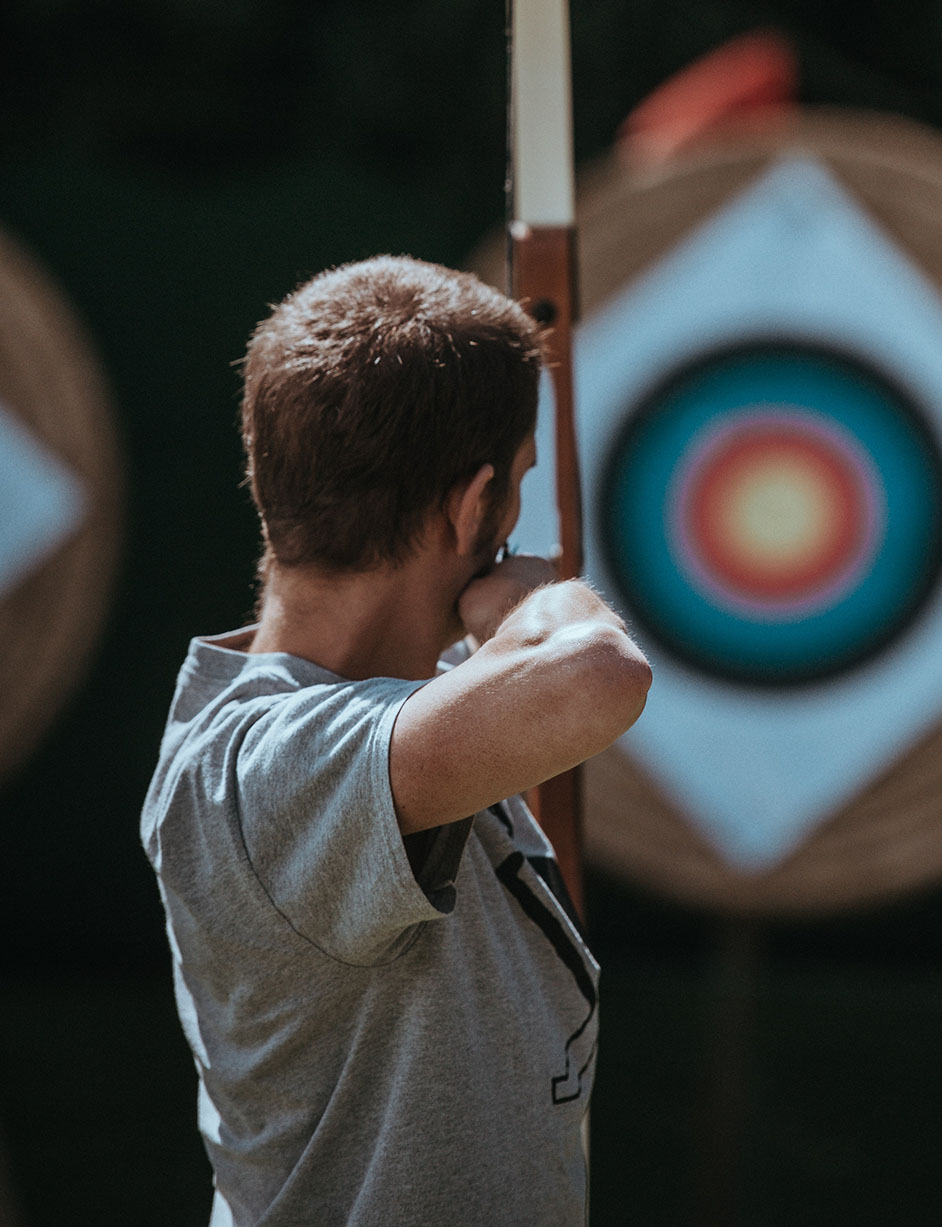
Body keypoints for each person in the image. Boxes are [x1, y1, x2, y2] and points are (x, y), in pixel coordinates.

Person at [140, 255, 652, 1225]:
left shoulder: (411, 709)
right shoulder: (259, 767)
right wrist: (537, 604)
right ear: (473, 504)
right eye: (517, 490)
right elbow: (599, 677)